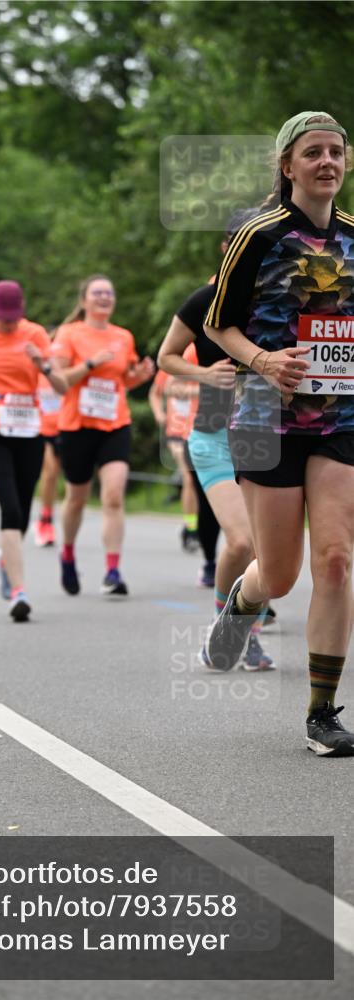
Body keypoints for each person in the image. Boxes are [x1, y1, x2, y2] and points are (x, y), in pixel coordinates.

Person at [203, 112, 354, 754]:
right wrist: (263, 360)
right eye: (313, 153)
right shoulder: (259, 236)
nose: (327, 162)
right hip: (266, 415)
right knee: (283, 574)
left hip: (340, 417)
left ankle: (322, 715)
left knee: (337, 559)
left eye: (337, 152)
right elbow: (216, 324)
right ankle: (243, 600)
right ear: (287, 166)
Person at [158, 210, 275, 672]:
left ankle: (248, 634)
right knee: (242, 542)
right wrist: (204, 372)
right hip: (212, 436)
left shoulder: (279, 304)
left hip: (268, 438)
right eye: (243, 245)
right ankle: (225, 627)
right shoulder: (205, 299)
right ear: (227, 249)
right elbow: (165, 357)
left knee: (270, 553)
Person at [0, 280, 67, 621]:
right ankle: (20, 591)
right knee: (9, 507)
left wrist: (43, 364)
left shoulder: (35, 334)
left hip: (28, 429)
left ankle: (7, 556)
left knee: (22, 506)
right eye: (3, 317)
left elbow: (61, 386)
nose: (9, 323)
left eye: (13, 317)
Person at [51, 274, 155, 596]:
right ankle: (67, 553)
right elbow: (60, 380)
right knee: (76, 499)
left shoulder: (123, 337)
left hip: (114, 424)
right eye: (97, 293)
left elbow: (124, 381)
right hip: (77, 426)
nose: (103, 298)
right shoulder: (69, 334)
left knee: (113, 496)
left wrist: (140, 376)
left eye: (109, 293)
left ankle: (112, 570)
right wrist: (91, 363)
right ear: (84, 301)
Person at [149, 344, 200, 552]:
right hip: (177, 430)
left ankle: (199, 523)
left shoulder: (209, 358)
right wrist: (159, 414)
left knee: (196, 479)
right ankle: (191, 527)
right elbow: (155, 393)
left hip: (198, 427)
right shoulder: (173, 358)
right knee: (189, 474)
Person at [32, 329, 63, 547]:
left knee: (72, 478)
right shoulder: (38, 371)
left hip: (68, 428)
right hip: (43, 430)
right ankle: (45, 519)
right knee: (50, 473)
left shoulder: (68, 371)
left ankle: (59, 518)